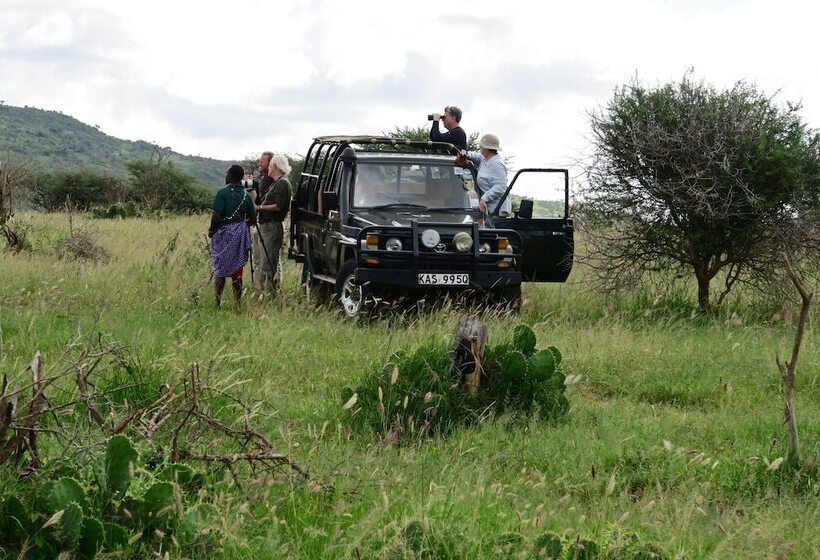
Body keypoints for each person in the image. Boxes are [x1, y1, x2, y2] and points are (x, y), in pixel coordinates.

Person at [208, 164, 257, 307]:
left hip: (222, 234)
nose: (225, 176)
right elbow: (253, 220)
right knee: (237, 270)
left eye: (227, 174)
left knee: (220, 269)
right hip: (239, 236)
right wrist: (240, 226)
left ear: (230, 176)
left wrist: (212, 230)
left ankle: (217, 303)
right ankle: (238, 304)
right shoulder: (246, 196)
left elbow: (216, 215)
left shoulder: (222, 193)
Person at [255, 153, 292, 293]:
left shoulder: (282, 183)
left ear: (275, 166)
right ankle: (267, 292)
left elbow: (279, 206)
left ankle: (269, 294)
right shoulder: (278, 182)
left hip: (272, 225)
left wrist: (260, 208)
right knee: (266, 260)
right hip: (267, 225)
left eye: (270, 165)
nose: (268, 167)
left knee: (268, 263)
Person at [464, 133, 511, 216]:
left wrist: (485, 198)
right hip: (487, 208)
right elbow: (477, 157)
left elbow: (501, 186)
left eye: (481, 146)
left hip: (496, 210)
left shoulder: (497, 164)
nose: (480, 148)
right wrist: (467, 154)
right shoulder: (485, 158)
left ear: (486, 148)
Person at [249, 151, 274, 288]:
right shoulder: (264, 180)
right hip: (260, 223)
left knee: (268, 260)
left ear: (271, 164)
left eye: (262, 162)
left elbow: (261, 204)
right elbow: (258, 202)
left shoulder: (272, 181)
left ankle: (271, 287)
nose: (259, 164)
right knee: (258, 259)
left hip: (268, 224)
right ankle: (261, 287)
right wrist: (253, 189)